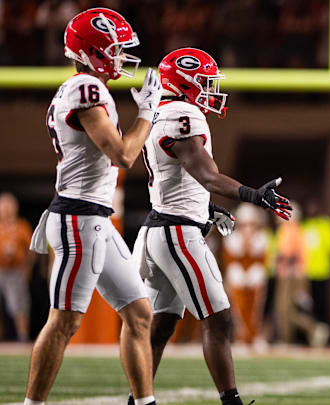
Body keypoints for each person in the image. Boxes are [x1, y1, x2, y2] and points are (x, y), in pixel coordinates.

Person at [132, 47, 292, 405]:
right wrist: (252, 194)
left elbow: (179, 181)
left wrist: (207, 209)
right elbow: (206, 175)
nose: (210, 89)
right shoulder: (183, 114)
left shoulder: (163, 113)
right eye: (204, 82)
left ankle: (137, 400)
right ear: (185, 83)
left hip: (164, 228)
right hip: (177, 234)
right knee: (218, 320)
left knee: (162, 326)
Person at [24, 8, 162, 405]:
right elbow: (123, 155)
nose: (121, 57)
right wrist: (148, 115)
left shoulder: (85, 88)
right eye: (115, 49)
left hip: (95, 219)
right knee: (64, 321)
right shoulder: (87, 89)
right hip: (77, 220)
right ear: (94, 51)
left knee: (139, 313)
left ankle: (144, 402)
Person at [273, 203, 329, 347]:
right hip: (294, 274)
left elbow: (290, 255)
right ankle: (310, 329)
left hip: (290, 275)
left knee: (284, 310)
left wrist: (279, 258)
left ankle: (293, 336)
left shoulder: (289, 230)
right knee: (289, 310)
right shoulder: (296, 229)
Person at [222, 203, 270, 347]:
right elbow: (230, 260)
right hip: (237, 277)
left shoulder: (262, 238)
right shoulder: (231, 238)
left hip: (255, 277)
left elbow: (262, 260)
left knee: (255, 309)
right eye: (245, 224)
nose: (248, 228)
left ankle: (255, 335)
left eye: (251, 224)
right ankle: (242, 337)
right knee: (238, 309)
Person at [300, 199, 330, 326]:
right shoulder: (303, 226)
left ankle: (323, 330)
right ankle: (307, 333)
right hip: (305, 272)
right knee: (305, 304)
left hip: (322, 271)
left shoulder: (326, 225)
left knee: (322, 303)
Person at [0, 193, 35, 341]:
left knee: (19, 305)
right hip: (1, 270)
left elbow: (31, 251)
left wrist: (27, 270)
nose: (7, 209)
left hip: (16, 272)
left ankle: (22, 337)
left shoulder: (22, 226)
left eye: (9, 206)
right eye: (4, 206)